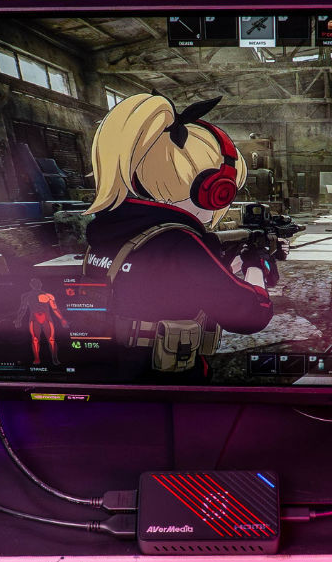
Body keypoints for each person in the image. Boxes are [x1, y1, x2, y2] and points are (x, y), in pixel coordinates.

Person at [81, 95, 277, 379]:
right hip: (166, 379)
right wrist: (255, 266)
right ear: (212, 188)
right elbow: (250, 315)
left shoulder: (107, 233)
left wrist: (222, 266)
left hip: (109, 371)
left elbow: (157, 284)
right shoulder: (181, 244)